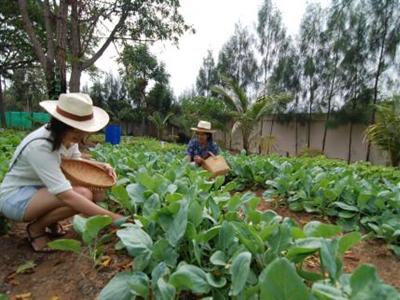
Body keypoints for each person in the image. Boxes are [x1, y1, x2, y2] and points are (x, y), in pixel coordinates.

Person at [0, 93, 124, 252]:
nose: (81, 137)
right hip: (15, 198)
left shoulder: (67, 138)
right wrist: (113, 219)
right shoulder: (40, 146)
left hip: (39, 190)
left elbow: (75, 164)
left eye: (83, 132)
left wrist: (101, 165)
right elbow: (66, 196)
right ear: (62, 125)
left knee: (91, 192)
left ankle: (50, 222)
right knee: (82, 195)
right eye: (77, 133)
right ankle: (36, 229)